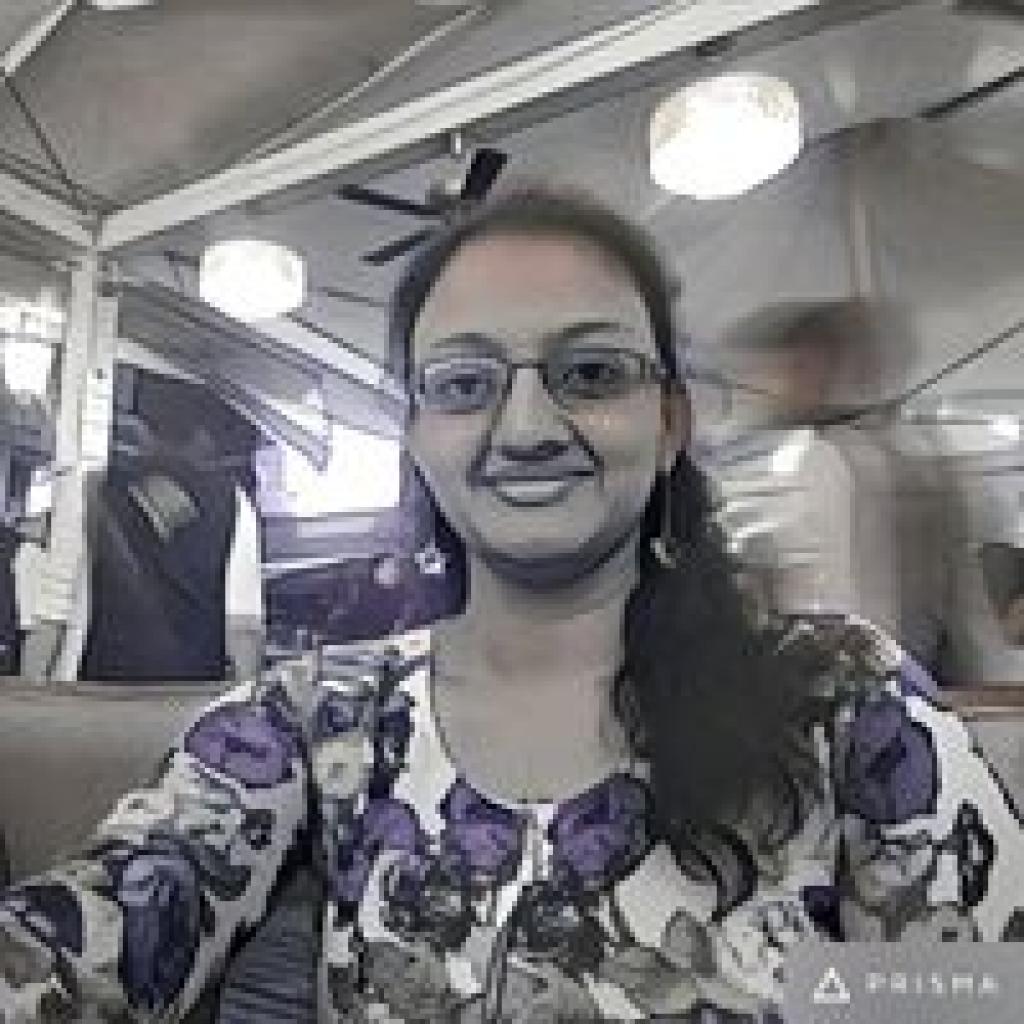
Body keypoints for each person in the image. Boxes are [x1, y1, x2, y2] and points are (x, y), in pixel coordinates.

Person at [1, 187, 1022, 1023]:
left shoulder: (841, 698)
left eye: (591, 373)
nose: (526, 425)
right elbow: (97, 931)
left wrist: (825, 995)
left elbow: (976, 996)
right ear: (416, 436)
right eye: (463, 383)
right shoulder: (321, 720)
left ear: (670, 422)